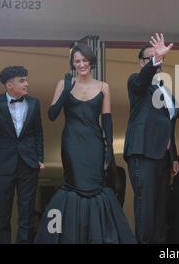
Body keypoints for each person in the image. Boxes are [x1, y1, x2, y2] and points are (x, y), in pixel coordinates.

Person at [34, 44, 135, 243]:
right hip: (72, 143)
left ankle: (95, 236)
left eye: (84, 60)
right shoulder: (64, 84)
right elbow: (52, 115)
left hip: (94, 143)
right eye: (77, 61)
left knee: (95, 188)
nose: (81, 64)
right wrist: (66, 90)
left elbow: (107, 119)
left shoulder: (103, 86)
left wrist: (109, 148)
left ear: (91, 62)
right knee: (75, 187)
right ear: (73, 63)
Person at [123, 34, 179, 244]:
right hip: (143, 153)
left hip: (162, 158)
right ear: (141, 63)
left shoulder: (167, 92)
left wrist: (173, 156)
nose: (157, 60)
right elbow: (141, 80)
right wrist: (155, 61)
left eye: (158, 58)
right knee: (145, 209)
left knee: (159, 211)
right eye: (150, 57)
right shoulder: (137, 83)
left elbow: (169, 127)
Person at [0, 66, 44, 243]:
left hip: (29, 165)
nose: (27, 83)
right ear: (9, 85)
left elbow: (38, 132)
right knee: (2, 215)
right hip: (5, 166)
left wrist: (40, 158)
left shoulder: (34, 102)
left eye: (26, 79)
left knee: (26, 215)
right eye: (22, 80)